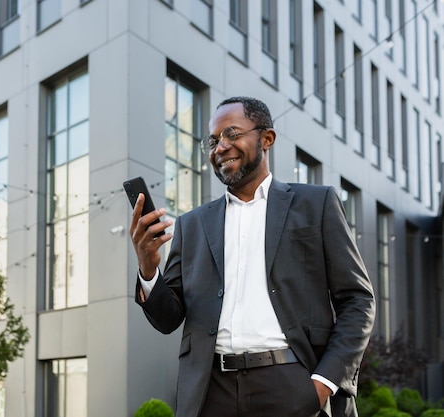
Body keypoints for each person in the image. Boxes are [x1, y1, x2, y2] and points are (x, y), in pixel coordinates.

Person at [130, 96, 376, 417]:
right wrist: (149, 271)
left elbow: (358, 301)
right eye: (214, 140)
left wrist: (323, 383)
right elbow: (168, 319)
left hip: (292, 382)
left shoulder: (316, 205)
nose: (221, 147)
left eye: (232, 134)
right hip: (210, 392)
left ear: (266, 138)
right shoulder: (193, 225)